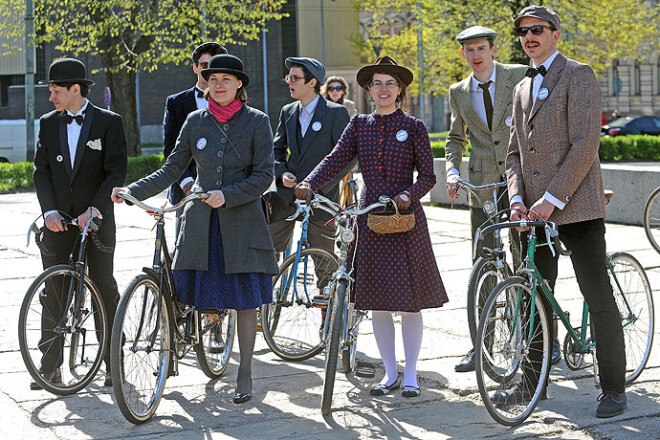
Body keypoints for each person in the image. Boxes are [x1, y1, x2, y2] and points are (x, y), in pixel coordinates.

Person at [111, 54, 278, 404]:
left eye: (225, 79)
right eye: (212, 77)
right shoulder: (194, 120)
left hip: (243, 223)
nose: (217, 84)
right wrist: (132, 191)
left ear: (239, 85)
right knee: (199, 295)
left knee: (245, 301)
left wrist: (227, 194)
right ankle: (194, 339)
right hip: (201, 223)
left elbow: (264, 175)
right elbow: (172, 167)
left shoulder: (258, 121)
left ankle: (245, 369)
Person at [295, 56, 448, 397]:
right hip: (369, 218)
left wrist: (410, 193)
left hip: (405, 220)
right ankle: (389, 373)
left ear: (399, 90)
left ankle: (411, 374)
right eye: (377, 83)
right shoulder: (359, 125)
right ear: (368, 89)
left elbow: (428, 175)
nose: (383, 89)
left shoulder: (415, 126)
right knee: (378, 302)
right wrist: (309, 182)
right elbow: (335, 158)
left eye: (389, 83)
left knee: (410, 302)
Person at [502, 5, 627, 418]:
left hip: (576, 208)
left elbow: (586, 143)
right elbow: (514, 155)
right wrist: (518, 198)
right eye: (523, 31)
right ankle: (531, 381)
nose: (529, 37)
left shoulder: (579, 74)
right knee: (535, 297)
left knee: (598, 296)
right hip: (533, 215)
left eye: (538, 29)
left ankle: (613, 388)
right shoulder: (521, 88)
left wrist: (551, 199)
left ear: (556, 34)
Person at [33, 57, 128, 389]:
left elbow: (116, 171)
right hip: (59, 224)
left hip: (96, 222)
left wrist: (96, 208)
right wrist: (49, 212)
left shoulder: (108, 122)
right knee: (54, 293)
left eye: (56, 90)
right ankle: (50, 367)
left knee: (104, 288)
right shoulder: (47, 123)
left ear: (76, 89)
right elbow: (41, 172)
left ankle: (112, 365)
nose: (51, 97)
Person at [444, 25, 527, 374]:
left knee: (527, 263)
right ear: (463, 54)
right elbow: (454, 139)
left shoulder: (520, 75)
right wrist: (452, 171)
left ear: (493, 48)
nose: (476, 55)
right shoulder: (458, 91)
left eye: (481, 48)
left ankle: (538, 340)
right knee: (484, 265)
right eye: (469, 50)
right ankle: (483, 347)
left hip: (522, 182)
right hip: (483, 189)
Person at [269, 57, 351, 256]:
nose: (289, 82)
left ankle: (327, 288)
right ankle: (269, 288)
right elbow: (276, 150)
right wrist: (282, 173)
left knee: (324, 261)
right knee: (268, 252)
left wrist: (318, 183)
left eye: (295, 78)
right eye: (288, 77)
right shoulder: (287, 112)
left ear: (312, 82)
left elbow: (349, 155)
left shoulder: (336, 113)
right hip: (286, 198)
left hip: (321, 198)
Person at [163, 42, 227, 220]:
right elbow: (170, 149)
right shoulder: (176, 103)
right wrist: (186, 183)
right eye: (205, 66)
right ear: (195, 68)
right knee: (184, 245)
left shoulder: (235, 103)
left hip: (224, 192)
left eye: (215, 66)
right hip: (186, 190)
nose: (210, 71)